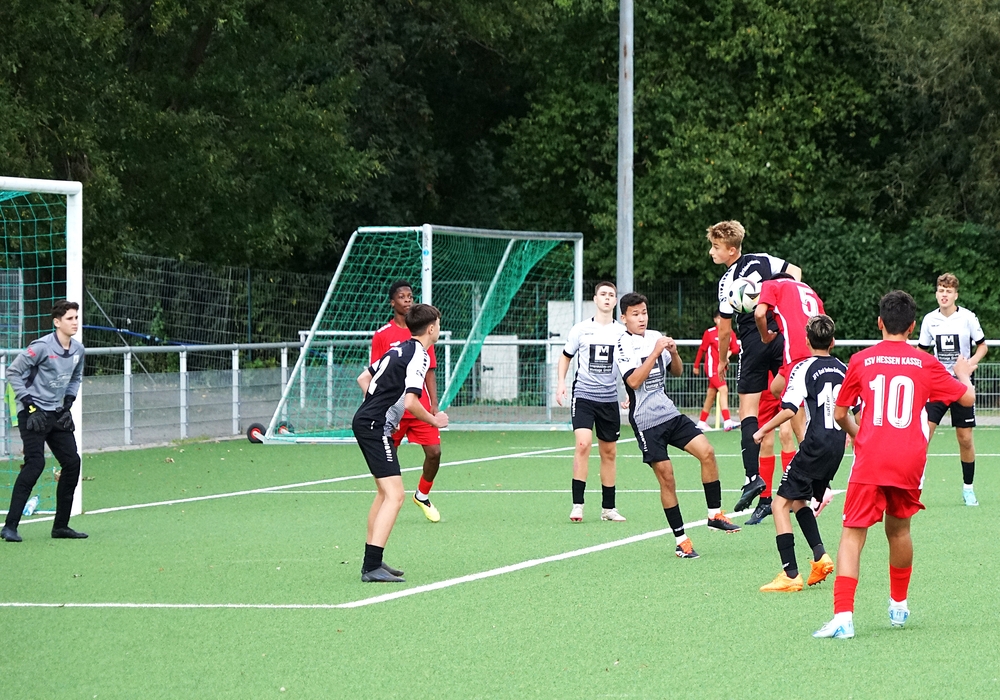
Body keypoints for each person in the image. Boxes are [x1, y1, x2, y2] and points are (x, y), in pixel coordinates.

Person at [814, 291, 974, 639]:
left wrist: (859, 435)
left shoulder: (861, 360)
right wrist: (963, 373)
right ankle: (898, 606)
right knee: (899, 531)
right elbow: (967, 398)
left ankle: (843, 617)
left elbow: (840, 413)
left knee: (853, 534)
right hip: (909, 461)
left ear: (879, 323)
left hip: (871, 458)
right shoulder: (925, 363)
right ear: (913, 326)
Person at [613, 292, 741, 559]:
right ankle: (681, 541)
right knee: (667, 478)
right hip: (646, 421)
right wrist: (655, 352)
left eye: (644, 312)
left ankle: (714, 515)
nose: (641, 318)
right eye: (635, 314)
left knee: (707, 452)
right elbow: (633, 382)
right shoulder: (622, 344)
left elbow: (678, 371)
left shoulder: (655, 335)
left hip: (669, 413)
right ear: (624, 318)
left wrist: (673, 352)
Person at [707, 220, 802, 512]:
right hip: (780, 333)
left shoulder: (727, 282)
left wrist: (722, 359)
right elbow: (795, 272)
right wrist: (781, 300)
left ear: (731, 250)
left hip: (753, 340)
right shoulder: (762, 259)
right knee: (794, 401)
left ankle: (752, 478)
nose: (711, 252)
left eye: (716, 247)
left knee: (748, 411)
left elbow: (725, 330)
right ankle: (809, 472)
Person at [354, 303, 450, 582]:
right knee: (395, 496)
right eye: (438, 324)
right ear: (431, 328)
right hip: (374, 426)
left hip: (369, 422)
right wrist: (434, 420)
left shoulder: (400, 348)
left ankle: (372, 561)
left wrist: (383, 410)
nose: (439, 329)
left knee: (384, 494)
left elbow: (364, 378)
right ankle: (372, 567)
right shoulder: (419, 355)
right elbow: (411, 402)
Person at [752, 314, 847, 592]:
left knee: (779, 504)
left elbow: (789, 409)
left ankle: (790, 574)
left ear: (807, 341)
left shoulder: (803, 368)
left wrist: (762, 430)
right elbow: (855, 408)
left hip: (815, 444)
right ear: (833, 342)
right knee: (798, 501)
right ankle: (820, 557)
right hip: (836, 446)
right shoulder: (844, 368)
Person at [1, 300, 87, 542]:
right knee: (35, 463)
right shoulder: (40, 347)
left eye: (76, 317)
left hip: (56, 412)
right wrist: (29, 404)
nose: (75, 322)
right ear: (57, 322)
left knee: (72, 462)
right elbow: (12, 372)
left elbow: (76, 377)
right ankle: (10, 527)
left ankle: (61, 527)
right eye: (69, 318)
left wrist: (68, 403)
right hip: (32, 412)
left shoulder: (78, 350)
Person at [745, 274, 826, 523]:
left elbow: (760, 313)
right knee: (777, 390)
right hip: (814, 352)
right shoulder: (810, 291)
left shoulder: (773, 285)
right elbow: (825, 325)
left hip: (796, 355)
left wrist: (764, 336)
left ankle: (817, 487)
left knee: (797, 429)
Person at [371, 280, 444, 522]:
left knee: (434, 452)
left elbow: (430, 371)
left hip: (418, 406)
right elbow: (373, 375)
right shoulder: (382, 335)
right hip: (393, 409)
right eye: (402, 296)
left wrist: (434, 405)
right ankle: (386, 499)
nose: (407, 300)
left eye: (410, 296)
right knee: (387, 457)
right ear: (392, 302)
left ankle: (422, 495)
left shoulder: (423, 333)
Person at [556, 281, 628, 522]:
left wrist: (630, 392)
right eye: (603, 294)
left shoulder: (622, 333)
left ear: (615, 301)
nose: (607, 298)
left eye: (611, 295)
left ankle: (609, 508)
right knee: (583, 444)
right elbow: (565, 357)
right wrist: (561, 383)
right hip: (584, 396)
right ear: (595, 299)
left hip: (609, 399)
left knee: (609, 452)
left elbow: (628, 364)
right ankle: (577, 505)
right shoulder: (581, 329)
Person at [917, 273, 987, 507]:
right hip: (937, 383)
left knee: (965, 438)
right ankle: (916, 485)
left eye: (948, 291)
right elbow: (922, 350)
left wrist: (969, 364)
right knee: (923, 436)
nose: (944, 295)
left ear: (956, 295)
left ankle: (968, 489)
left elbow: (982, 346)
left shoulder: (967, 318)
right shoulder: (929, 320)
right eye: (941, 290)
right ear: (936, 293)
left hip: (961, 383)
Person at [692, 311, 740, 432]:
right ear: (714, 320)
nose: (720, 321)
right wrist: (696, 365)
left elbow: (736, 348)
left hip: (721, 369)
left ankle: (702, 422)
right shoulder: (709, 333)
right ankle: (727, 421)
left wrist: (728, 354)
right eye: (718, 318)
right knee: (723, 389)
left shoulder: (730, 332)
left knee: (711, 394)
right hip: (712, 367)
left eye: (722, 318)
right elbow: (702, 349)